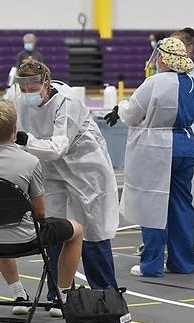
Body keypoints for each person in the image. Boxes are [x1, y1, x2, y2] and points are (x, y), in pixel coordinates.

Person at [13, 60, 119, 297]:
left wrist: (26, 140)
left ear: (46, 84)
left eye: (33, 89)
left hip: (86, 168)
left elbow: (58, 146)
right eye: (24, 90)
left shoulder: (67, 102)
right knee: (54, 227)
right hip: (51, 170)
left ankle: (104, 294)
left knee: (93, 229)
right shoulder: (22, 103)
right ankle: (58, 295)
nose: (28, 94)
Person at [0, 100, 83, 316]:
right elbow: (40, 212)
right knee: (76, 230)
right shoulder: (29, 161)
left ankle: (18, 294)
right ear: (14, 129)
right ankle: (63, 295)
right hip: (25, 238)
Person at [104, 37, 194, 277]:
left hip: (157, 149)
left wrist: (121, 107)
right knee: (181, 205)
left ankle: (152, 264)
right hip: (186, 145)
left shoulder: (155, 82)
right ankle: (183, 262)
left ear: (161, 58)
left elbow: (132, 112)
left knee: (152, 204)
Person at [135, 27, 194, 258]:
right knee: (182, 201)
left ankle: (159, 256)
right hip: (186, 144)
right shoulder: (191, 81)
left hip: (173, 145)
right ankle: (179, 257)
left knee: (169, 200)